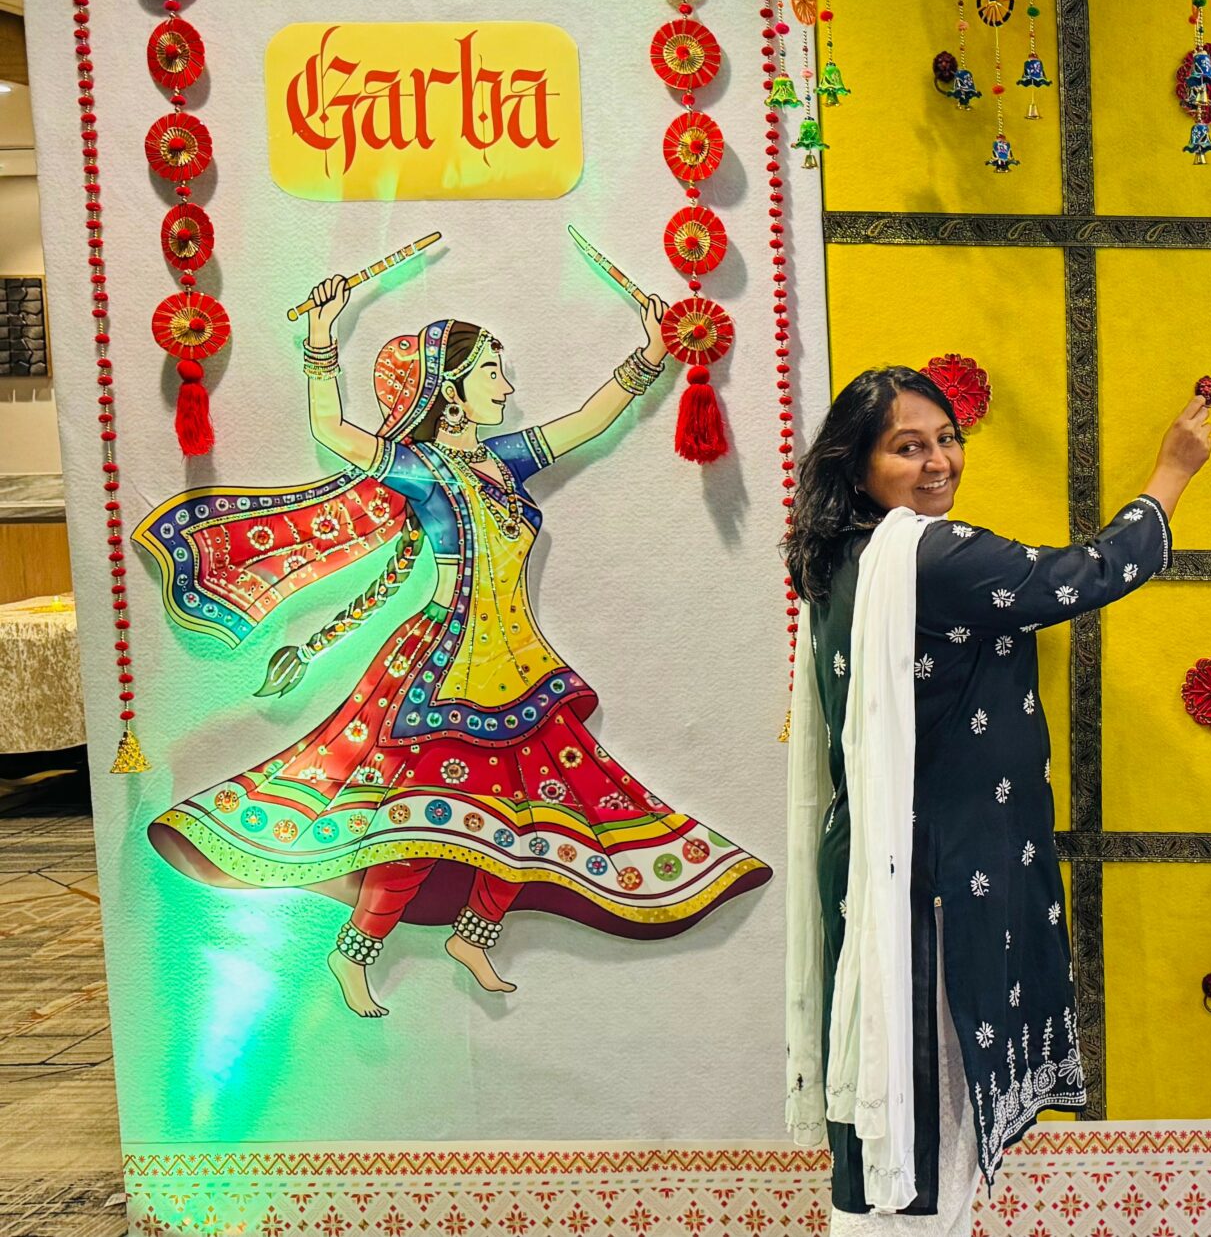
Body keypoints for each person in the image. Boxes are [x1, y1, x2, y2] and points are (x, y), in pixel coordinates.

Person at [139, 274, 767, 1019]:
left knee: (528, 813)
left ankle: (475, 935)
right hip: (440, 666)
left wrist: (651, 354)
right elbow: (334, 432)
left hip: (515, 668)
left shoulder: (505, 459)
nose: (506, 385)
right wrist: (319, 340)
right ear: (450, 393)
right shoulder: (422, 469)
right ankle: (353, 954)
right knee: (411, 821)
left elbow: (589, 420)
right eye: (490, 373)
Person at [781, 367, 1211, 1234]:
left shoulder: (846, 558)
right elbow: (1083, 575)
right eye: (909, 446)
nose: (939, 461)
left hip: (897, 858)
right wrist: (1172, 473)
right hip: (935, 880)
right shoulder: (928, 558)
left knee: (907, 1109)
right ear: (856, 466)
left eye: (948, 438)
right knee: (924, 1118)